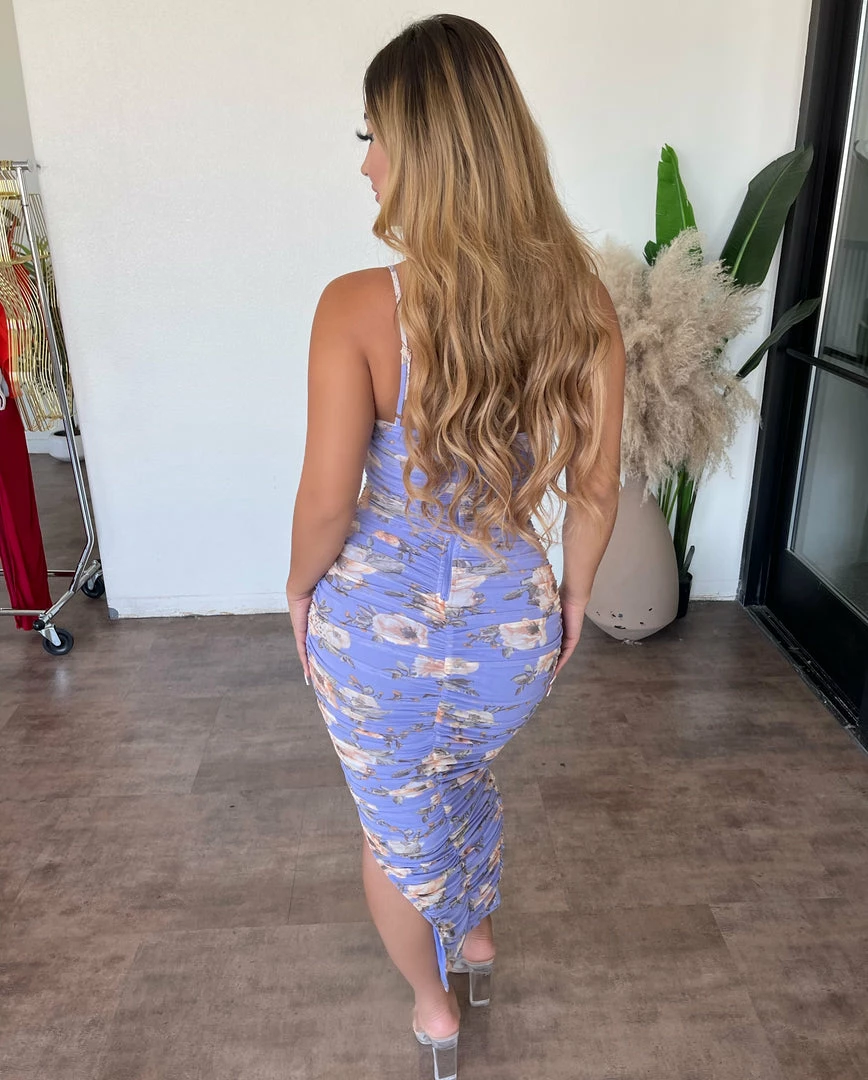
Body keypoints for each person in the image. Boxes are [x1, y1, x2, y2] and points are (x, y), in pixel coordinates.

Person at [285, 14, 625, 1079]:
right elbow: (597, 490)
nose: (366, 163)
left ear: (425, 150)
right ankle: (473, 938)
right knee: (460, 775)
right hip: (509, 639)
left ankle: (435, 1009)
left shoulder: (357, 307)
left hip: (376, 643)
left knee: (395, 826)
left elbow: (327, 504)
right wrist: (573, 603)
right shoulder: (583, 306)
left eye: (373, 135)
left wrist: (296, 592)